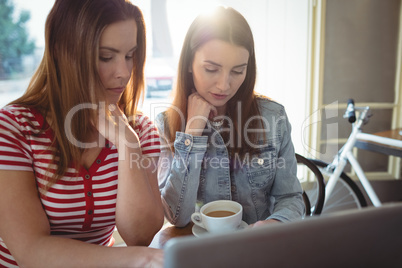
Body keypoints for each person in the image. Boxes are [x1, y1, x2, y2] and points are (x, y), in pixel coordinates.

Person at [0, 0, 164, 267]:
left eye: (130, 55)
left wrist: (127, 143)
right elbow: (31, 250)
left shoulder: (140, 131)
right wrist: (142, 258)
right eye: (106, 57)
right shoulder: (13, 128)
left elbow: (140, 235)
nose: (123, 73)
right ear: (62, 53)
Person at [157, 6, 305, 228]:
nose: (224, 85)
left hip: (258, 249)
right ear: (189, 63)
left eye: (237, 71)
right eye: (211, 69)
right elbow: (177, 216)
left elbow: (290, 197)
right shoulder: (167, 124)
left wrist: (275, 222)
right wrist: (192, 133)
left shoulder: (273, 118)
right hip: (201, 251)